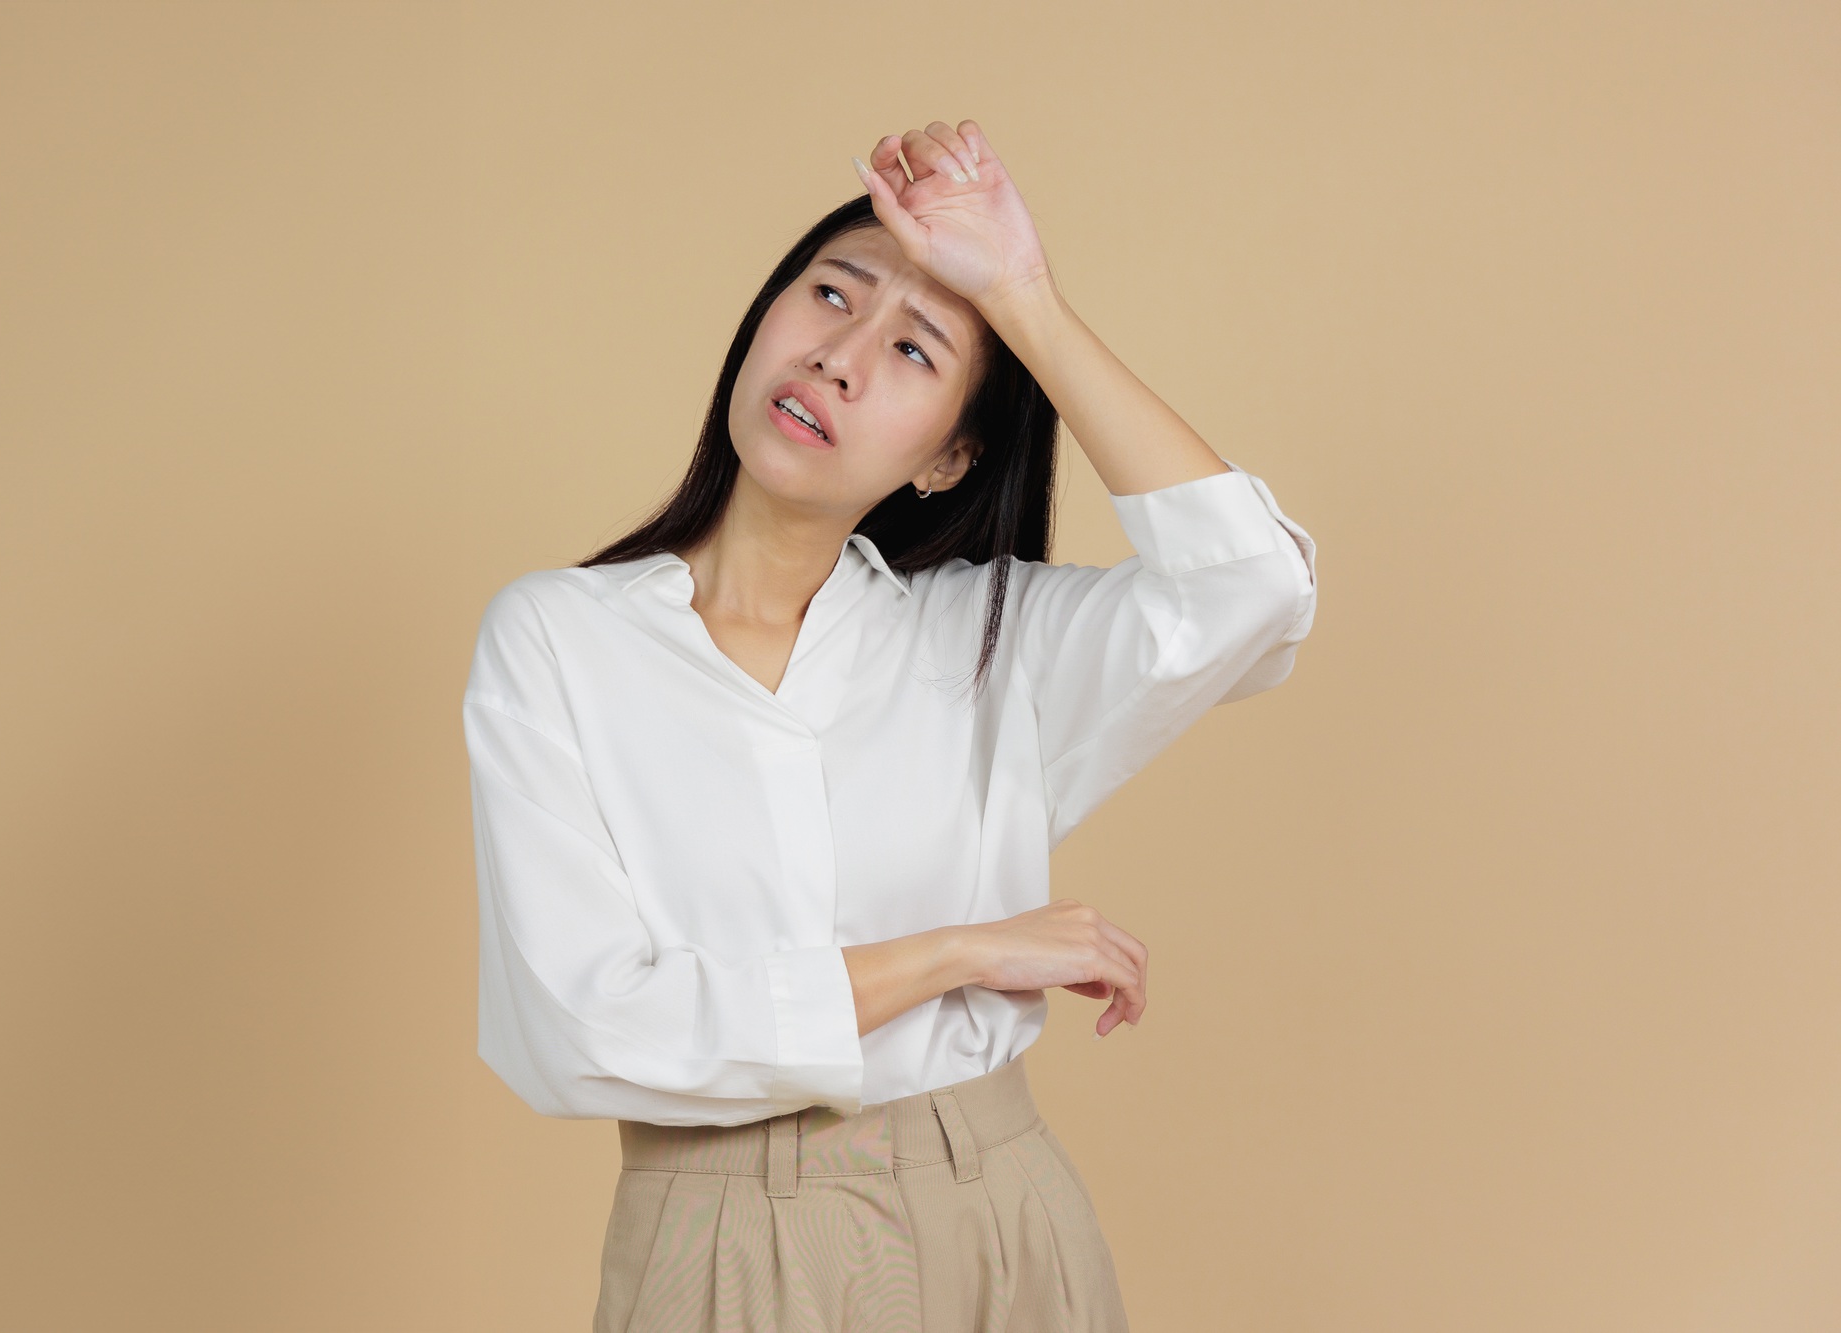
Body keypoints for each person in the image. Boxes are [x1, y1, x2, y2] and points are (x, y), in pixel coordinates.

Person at [463, 119, 1319, 1332]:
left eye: (913, 349)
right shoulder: (558, 641)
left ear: (949, 456)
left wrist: (1022, 297)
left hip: (998, 1205)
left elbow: (1253, 589)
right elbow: (580, 1027)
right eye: (828, 296)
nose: (840, 359)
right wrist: (957, 954)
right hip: (717, 1232)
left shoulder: (988, 641)